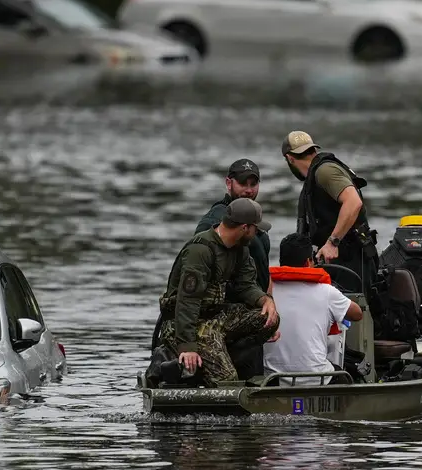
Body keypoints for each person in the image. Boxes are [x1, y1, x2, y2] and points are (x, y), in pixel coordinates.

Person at [156, 198, 280, 387]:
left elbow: (246, 286)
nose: (258, 233)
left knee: (268, 319)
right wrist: (187, 346)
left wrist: (266, 300)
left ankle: (220, 356)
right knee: (227, 382)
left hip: (216, 319)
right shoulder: (201, 250)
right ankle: (195, 365)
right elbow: (187, 302)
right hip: (185, 325)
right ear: (245, 228)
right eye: (256, 228)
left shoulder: (240, 249)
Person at [281, 130, 379, 292]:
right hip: (337, 260)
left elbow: (353, 202)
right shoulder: (313, 178)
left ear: (289, 159)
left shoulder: (325, 171)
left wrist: (332, 242)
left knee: (353, 311)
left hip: (352, 258)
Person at [263, 233, 363, 386]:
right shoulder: (327, 292)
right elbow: (357, 314)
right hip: (317, 378)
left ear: (281, 261)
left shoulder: (266, 292)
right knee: (349, 375)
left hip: (273, 380)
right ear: (308, 261)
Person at [195, 158, 272, 296]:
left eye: (253, 184)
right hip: (230, 306)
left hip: (257, 300)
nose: (249, 190)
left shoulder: (255, 220)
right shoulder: (215, 219)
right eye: (243, 184)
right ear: (229, 183)